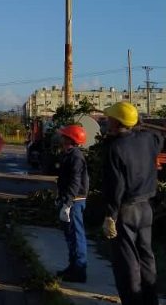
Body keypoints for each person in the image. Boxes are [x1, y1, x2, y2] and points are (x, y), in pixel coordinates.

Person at [101, 101, 163, 305]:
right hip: (147, 207)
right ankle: (150, 299)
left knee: (127, 261)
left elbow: (115, 187)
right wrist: (140, 125)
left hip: (126, 209)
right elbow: (159, 137)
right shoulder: (148, 139)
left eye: (109, 118)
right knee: (146, 256)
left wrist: (111, 215)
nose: (106, 121)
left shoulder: (115, 148)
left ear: (116, 122)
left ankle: (133, 300)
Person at [55, 124, 89, 283]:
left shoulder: (76, 156)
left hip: (75, 201)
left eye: (64, 135)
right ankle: (73, 266)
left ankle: (79, 271)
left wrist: (68, 202)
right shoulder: (69, 154)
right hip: (70, 199)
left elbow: (75, 181)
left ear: (70, 139)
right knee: (70, 236)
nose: (61, 137)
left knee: (76, 235)